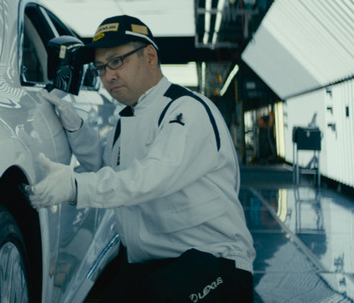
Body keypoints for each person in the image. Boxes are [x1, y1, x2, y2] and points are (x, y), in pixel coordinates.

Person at [28, 15, 255, 302]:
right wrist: (75, 127)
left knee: (158, 295)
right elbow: (105, 167)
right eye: (100, 67)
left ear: (149, 56)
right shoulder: (127, 120)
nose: (107, 75)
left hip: (215, 262)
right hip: (150, 264)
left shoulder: (186, 111)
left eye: (116, 61)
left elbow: (152, 178)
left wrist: (76, 188)